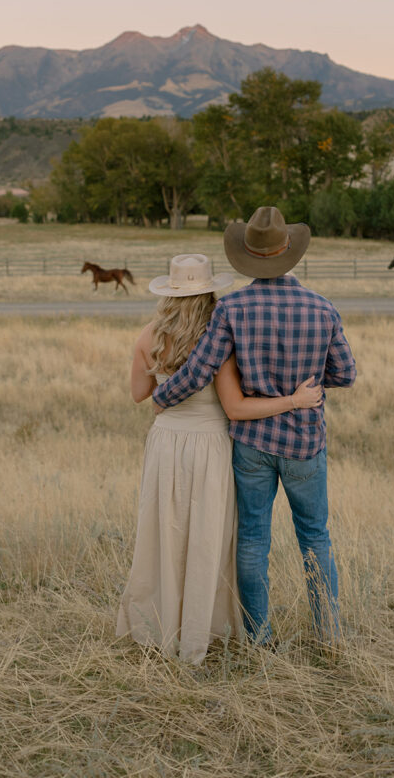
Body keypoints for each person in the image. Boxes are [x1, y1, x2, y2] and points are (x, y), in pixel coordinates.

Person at [153, 207, 357, 645]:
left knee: (252, 541)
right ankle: (329, 634)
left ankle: (259, 638)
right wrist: (310, 383)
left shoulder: (231, 308)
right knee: (315, 539)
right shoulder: (322, 308)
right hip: (304, 441)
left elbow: (198, 369)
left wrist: (160, 398)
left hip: (251, 443)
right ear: (290, 252)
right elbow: (346, 374)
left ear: (248, 255)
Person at [116, 253, 321, 665]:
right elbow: (236, 409)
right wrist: (294, 400)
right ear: (210, 294)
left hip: (167, 444)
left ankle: (159, 624)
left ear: (169, 295)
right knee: (208, 536)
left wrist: (163, 393)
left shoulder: (149, 336)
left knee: (165, 534)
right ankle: (201, 628)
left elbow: (140, 395)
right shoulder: (218, 342)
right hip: (210, 446)